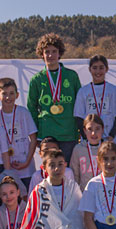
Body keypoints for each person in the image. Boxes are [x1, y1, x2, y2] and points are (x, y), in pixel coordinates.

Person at [27, 33, 82, 162]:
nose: (50, 55)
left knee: (68, 173)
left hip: (69, 134)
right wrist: (36, 136)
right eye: (47, 52)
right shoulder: (36, 79)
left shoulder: (72, 76)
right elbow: (32, 109)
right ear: (42, 54)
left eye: (54, 51)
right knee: (49, 172)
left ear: (59, 54)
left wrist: (80, 130)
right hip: (47, 134)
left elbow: (80, 105)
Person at [0, 77, 39, 192]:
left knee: (26, 201)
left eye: (11, 93)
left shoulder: (23, 112)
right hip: (5, 169)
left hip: (26, 169)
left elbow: (33, 139)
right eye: (4, 94)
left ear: (17, 95)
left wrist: (27, 162)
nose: (8, 97)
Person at [74, 55, 116, 141]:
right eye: (94, 68)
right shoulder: (83, 91)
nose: (98, 71)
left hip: (108, 138)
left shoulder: (114, 90)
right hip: (90, 138)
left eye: (101, 67)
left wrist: (112, 135)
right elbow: (79, 117)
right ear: (89, 69)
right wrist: (85, 137)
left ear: (107, 69)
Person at [70, 113, 107, 190]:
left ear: (103, 129)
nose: (93, 133)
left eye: (97, 129)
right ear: (84, 130)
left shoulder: (109, 148)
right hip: (85, 193)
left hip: (106, 193)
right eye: (90, 129)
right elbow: (75, 175)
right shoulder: (78, 149)